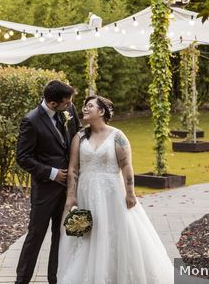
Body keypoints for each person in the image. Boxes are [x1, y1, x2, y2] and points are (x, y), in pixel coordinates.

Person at [57, 95, 174, 284]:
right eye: (84, 106)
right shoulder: (79, 136)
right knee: (87, 234)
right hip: (86, 192)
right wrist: (71, 196)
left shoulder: (117, 136)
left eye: (90, 106)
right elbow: (73, 168)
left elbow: (127, 166)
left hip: (112, 192)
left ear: (101, 111)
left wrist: (131, 193)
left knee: (115, 232)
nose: (85, 109)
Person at [15, 80, 80, 284]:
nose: (70, 106)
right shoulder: (31, 121)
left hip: (67, 191)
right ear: (52, 103)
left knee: (60, 237)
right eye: (66, 103)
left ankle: (55, 279)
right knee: (35, 236)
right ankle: (22, 280)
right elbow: (23, 158)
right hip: (44, 191)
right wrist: (52, 173)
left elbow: (77, 136)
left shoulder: (68, 111)